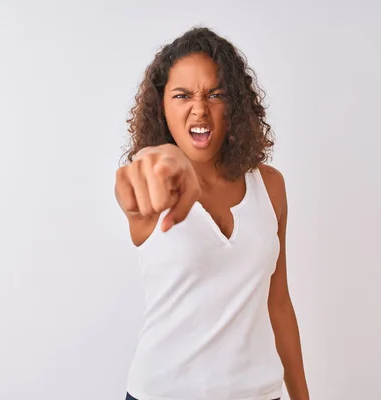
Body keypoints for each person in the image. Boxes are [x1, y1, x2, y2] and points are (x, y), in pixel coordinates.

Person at [115, 27, 310, 400]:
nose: (200, 108)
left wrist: (303, 397)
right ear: (162, 107)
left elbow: (279, 303)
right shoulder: (152, 185)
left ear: (233, 104)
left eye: (215, 94)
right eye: (182, 95)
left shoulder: (270, 186)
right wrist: (156, 159)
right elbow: (135, 176)